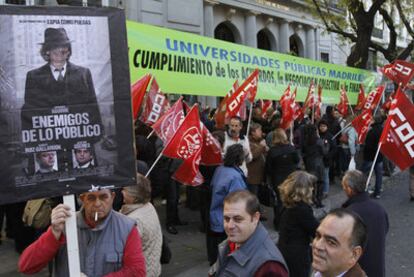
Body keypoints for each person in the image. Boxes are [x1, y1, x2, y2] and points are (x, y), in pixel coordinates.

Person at [21, 27, 102, 170]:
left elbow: (92, 106)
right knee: (50, 181)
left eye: (64, 47)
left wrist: (94, 136)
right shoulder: (33, 76)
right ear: (46, 51)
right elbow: (29, 110)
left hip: (79, 141)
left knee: (82, 179)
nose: (59, 51)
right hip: (48, 141)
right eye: (54, 47)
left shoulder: (83, 73)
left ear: (69, 50)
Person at [18, 187, 146, 276]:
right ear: (82, 198)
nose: (97, 204)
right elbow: (27, 267)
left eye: (103, 197)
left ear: (112, 197)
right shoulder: (64, 225)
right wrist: (54, 233)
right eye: (91, 198)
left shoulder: (126, 227)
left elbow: (137, 272)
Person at [209, 190, 288, 276]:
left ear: (255, 218)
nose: (230, 226)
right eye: (226, 219)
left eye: (238, 219)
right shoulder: (231, 243)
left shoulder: (269, 266)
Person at [341, 170, 389, 277]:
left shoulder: (348, 214)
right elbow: (385, 230)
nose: (343, 189)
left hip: (356, 270)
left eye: (343, 186)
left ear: (349, 189)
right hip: (377, 268)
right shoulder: (379, 209)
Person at [208, 144, 247, 265]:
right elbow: (238, 202)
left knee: (216, 251)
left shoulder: (220, 169)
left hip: (216, 215)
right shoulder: (235, 177)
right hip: (226, 219)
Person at [278, 171, 319, 277]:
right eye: (310, 186)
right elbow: (317, 230)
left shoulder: (288, 204)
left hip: (284, 250)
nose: (312, 189)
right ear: (303, 189)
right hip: (297, 257)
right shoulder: (302, 209)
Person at [120, 174, 162, 277]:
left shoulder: (134, 220)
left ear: (134, 198)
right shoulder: (148, 206)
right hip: (152, 268)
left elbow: (122, 249)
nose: (121, 192)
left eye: (125, 190)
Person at [312, 208, 367, 277]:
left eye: (331, 242)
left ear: (354, 254)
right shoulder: (322, 272)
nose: (317, 245)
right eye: (318, 236)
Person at [265, 128, 300, 229]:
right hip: (291, 178)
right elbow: (296, 160)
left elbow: (269, 168)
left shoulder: (272, 151)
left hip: (278, 179)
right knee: (291, 200)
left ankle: (279, 224)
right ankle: (290, 222)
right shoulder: (291, 148)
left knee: (280, 202)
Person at [362, 114, 384, 198]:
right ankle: (377, 192)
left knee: (365, 174)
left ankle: (364, 191)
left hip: (370, 157)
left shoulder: (372, 131)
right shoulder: (382, 130)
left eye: (372, 120)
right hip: (379, 156)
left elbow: (368, 144)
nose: (370, 121)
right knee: (379, 174)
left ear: (374, 121)